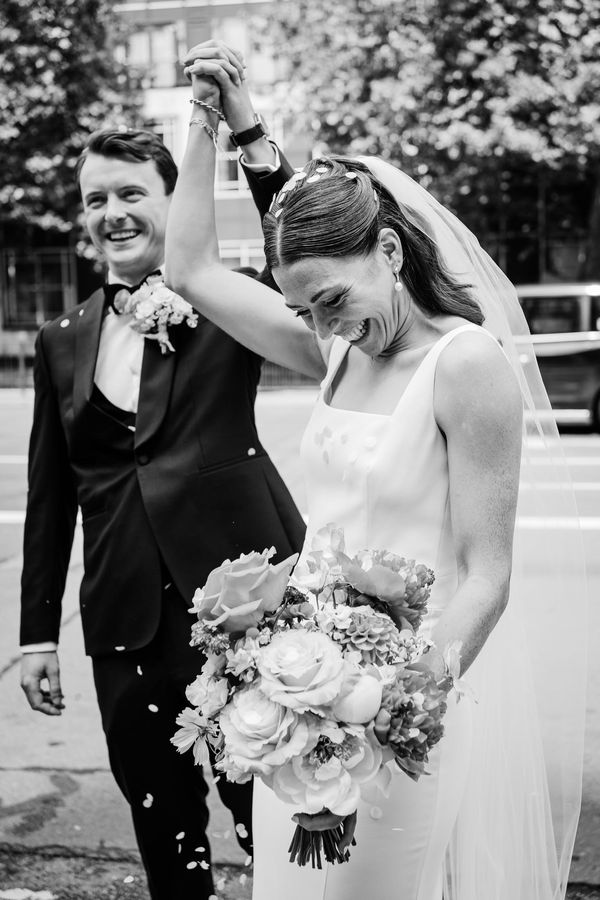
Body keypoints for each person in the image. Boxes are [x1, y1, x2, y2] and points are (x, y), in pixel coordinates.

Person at [163, 45, 588, 900]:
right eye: (302, 308)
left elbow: (487, 575)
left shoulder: (467, 367)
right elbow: (192, 272)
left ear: (389, 250)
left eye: (330, 298)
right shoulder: (333, 353)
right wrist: (205, 124)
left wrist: (387, 707)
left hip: (401, 708)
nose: (323, 322)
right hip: (302, 697)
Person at [18, 52, 306, 900]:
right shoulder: (60, 339)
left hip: (247, 607)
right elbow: (50, 496)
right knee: (164, 836)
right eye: (95, 199)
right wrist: (38, 632)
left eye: (131, 193)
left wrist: (246, 128)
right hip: (125, 626)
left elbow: (299, 244)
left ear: (173, 199)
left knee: (281, 825)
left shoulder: (227, 303)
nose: (111, 213)